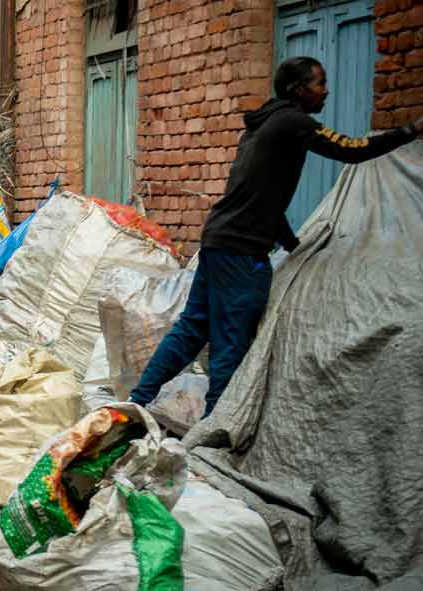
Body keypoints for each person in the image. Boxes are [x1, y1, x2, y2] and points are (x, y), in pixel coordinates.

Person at [130, 56, 423, 420]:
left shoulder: (262, 124)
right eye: (320, 83)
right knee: (230, 344)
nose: (326, 90)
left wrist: (293, 244)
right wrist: (409, 132)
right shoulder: (293, 122)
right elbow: (351, 149)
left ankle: (135, 402)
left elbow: (262, 194)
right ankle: (212, 431)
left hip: (219, 239)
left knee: (192, 329)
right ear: (298, 90)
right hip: (241, 252)